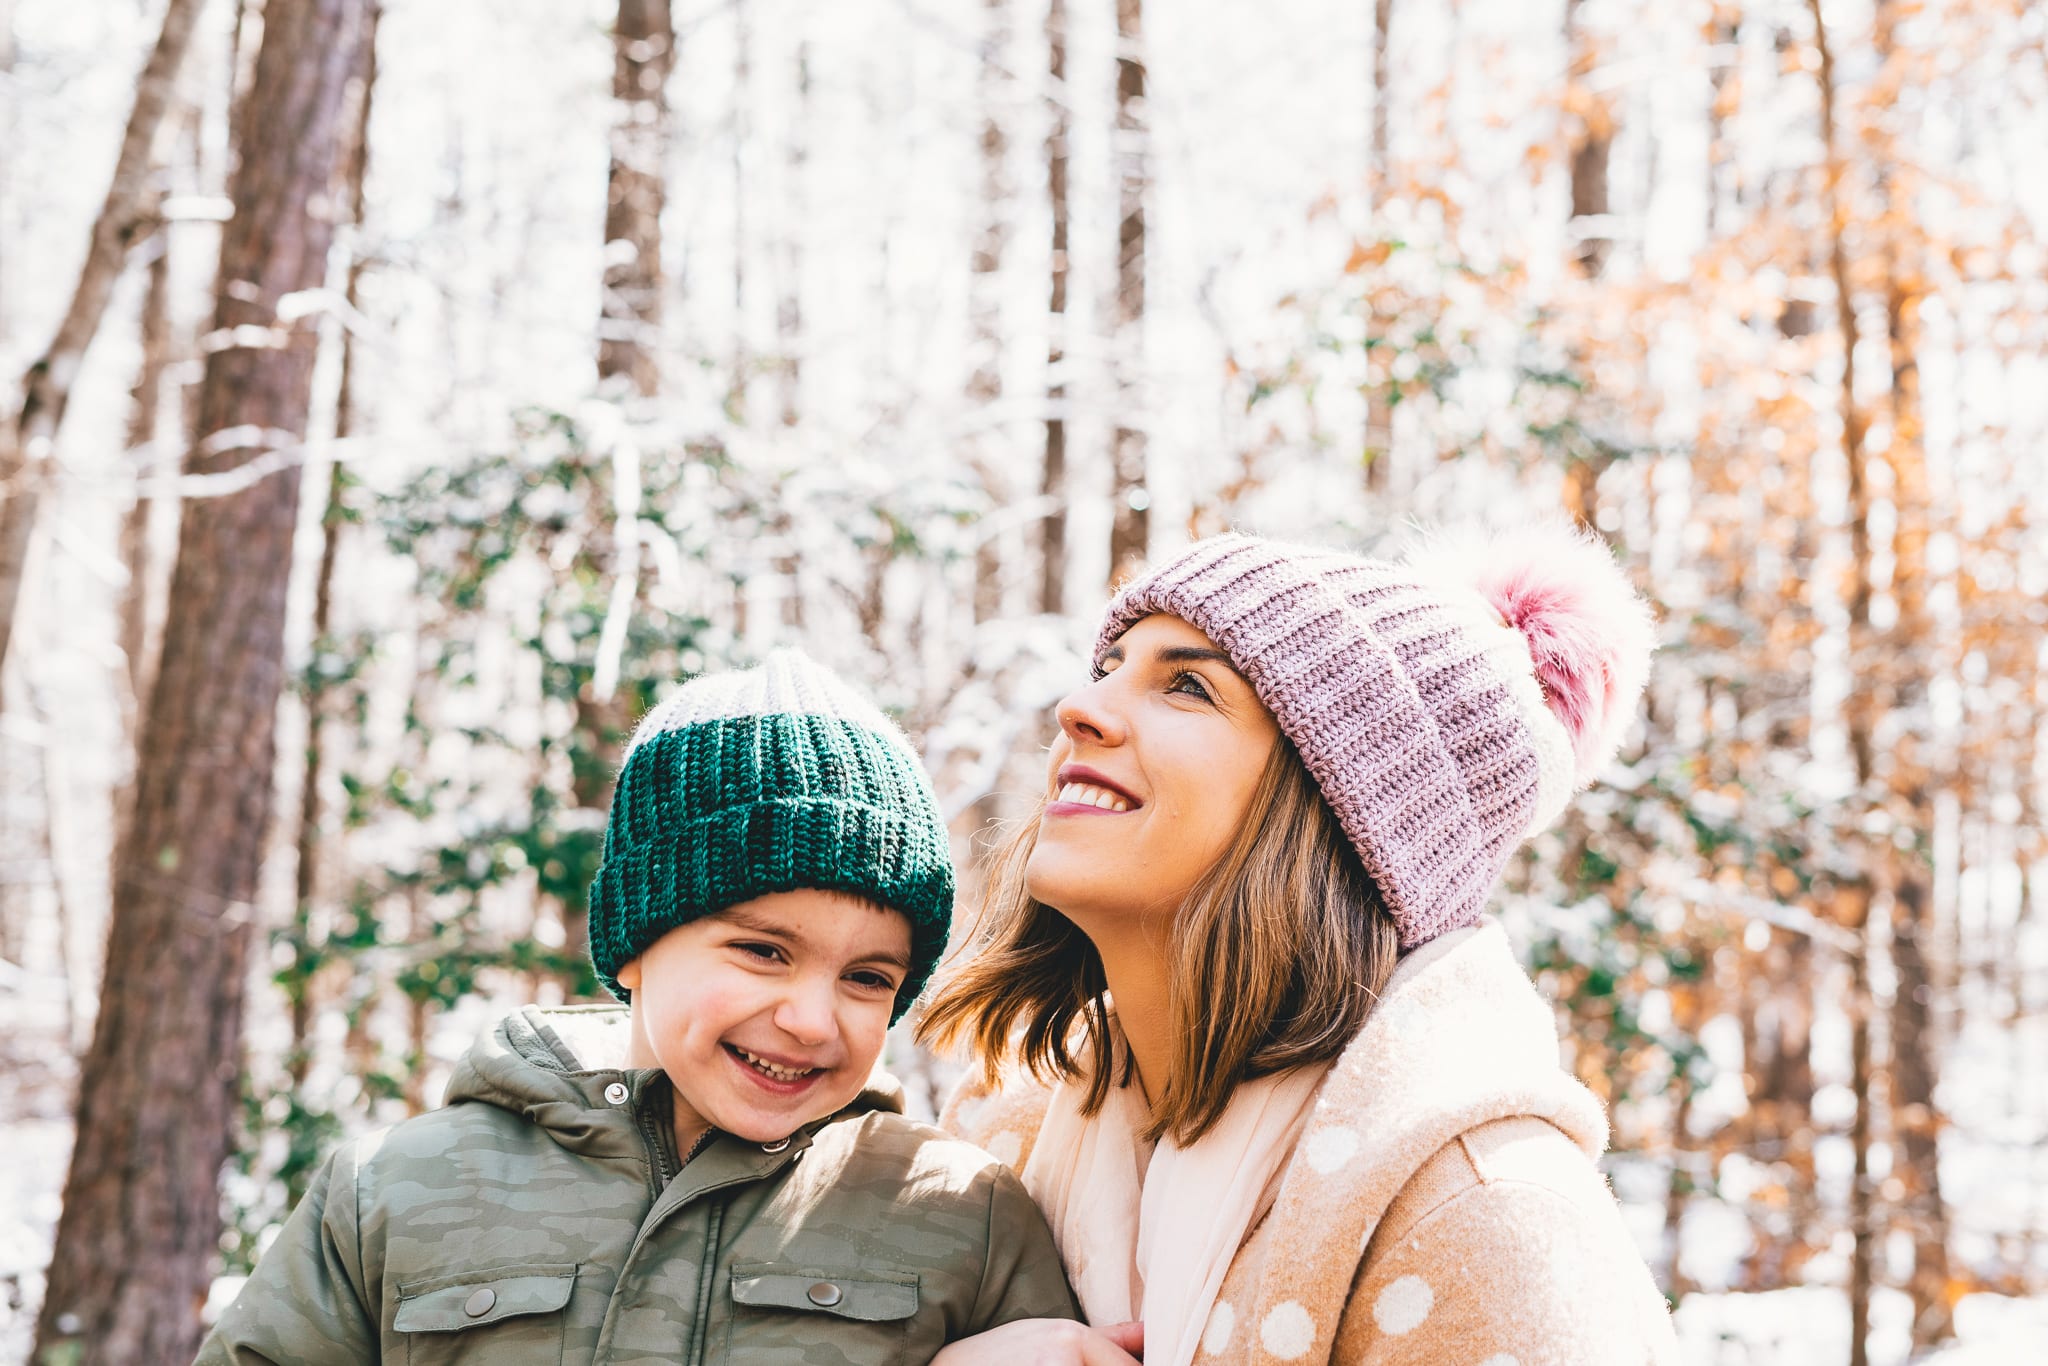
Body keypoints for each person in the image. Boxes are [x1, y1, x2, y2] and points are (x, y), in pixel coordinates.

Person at [922, 524, 1683, 1366]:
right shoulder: (1003, 1131)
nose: (1079, 709)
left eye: (1186, 687)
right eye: (1110, 669)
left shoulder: (1483, 1215)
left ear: (1338, 813)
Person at [197, 650, 1079, 1365]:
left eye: (868, 978)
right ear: (635, 941)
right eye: (764, 950)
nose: (814, 1019)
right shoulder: (393, 1190)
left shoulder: (962, 1214)